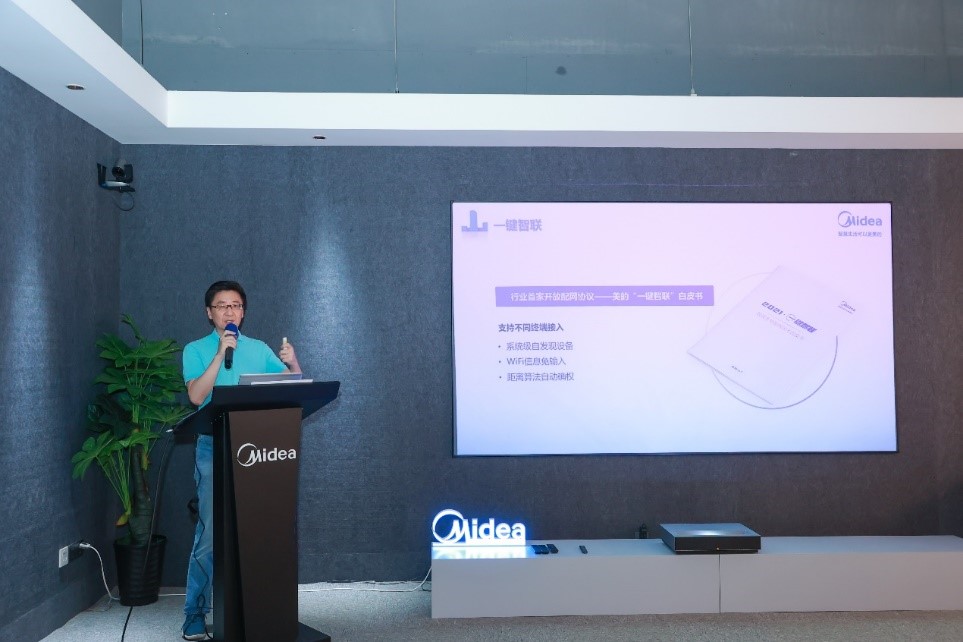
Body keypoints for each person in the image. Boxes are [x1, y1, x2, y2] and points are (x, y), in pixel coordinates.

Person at [180, 280, 300, 641]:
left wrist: (293, 364)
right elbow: (196, 396)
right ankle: (195, 613)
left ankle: (257, 609)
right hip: (212, 447)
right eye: (222, 306)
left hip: (256, 449)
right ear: (209, 313)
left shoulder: (259, 349)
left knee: (258, 529)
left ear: (243, 312)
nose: (229, 311)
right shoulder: (195, 349)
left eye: (235, 305)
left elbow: (292, 386)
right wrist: (220, 354)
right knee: (209, 534)